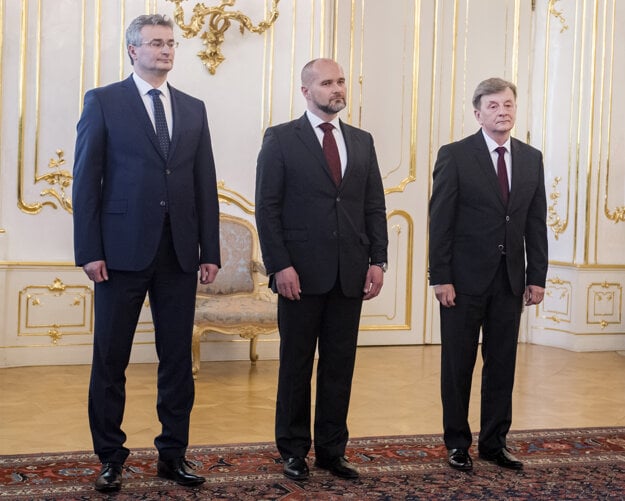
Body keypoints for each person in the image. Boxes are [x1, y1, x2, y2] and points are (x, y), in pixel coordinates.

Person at [72, 14, 220, 493]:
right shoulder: (103, 101)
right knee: (110, 360)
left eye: (171, 44)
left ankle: (173, 455)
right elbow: (86, 183)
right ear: (132, 50)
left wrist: (209, 250)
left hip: (178, 255)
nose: (166, 51)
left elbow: (204, 185)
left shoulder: (193, 108)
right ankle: (111, 457)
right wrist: (89, 250)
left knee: (176, 360)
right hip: (117, 255)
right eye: (156, 43)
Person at [255, 58, 388, 481]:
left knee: (339, 365)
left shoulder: (362, 141)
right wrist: (280, 266)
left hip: (350, 272)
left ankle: (332, 450)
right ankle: (293, 449)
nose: (337, 89)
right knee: (296, 365)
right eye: (327, 82)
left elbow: (374, 206)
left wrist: (378, 261)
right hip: (299, 274)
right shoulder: (280, 139)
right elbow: (267, 208)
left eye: (341, 81)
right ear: (306, 91)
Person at [429, 77, 548, 471]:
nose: (503, 112)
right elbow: (440, 221)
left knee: (502, 364)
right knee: (458, 364)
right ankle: (457, 443)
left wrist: (537, 276)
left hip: (510, 280)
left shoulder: (531, 158)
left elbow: (535, 221)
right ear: (478, 113)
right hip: (462, 282)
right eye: (494, 106)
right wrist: (440, 276)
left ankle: (495, 443)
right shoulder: (455, 155)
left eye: (509, 104)